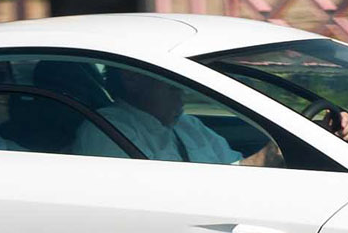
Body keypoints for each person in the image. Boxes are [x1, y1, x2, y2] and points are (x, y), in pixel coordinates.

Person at [98, 62, 274, 166]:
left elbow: (234, 170)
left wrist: (267, 159)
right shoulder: (107, 130)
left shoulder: (188, 125)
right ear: (132, 78)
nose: (182, 94)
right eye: (172, 86)